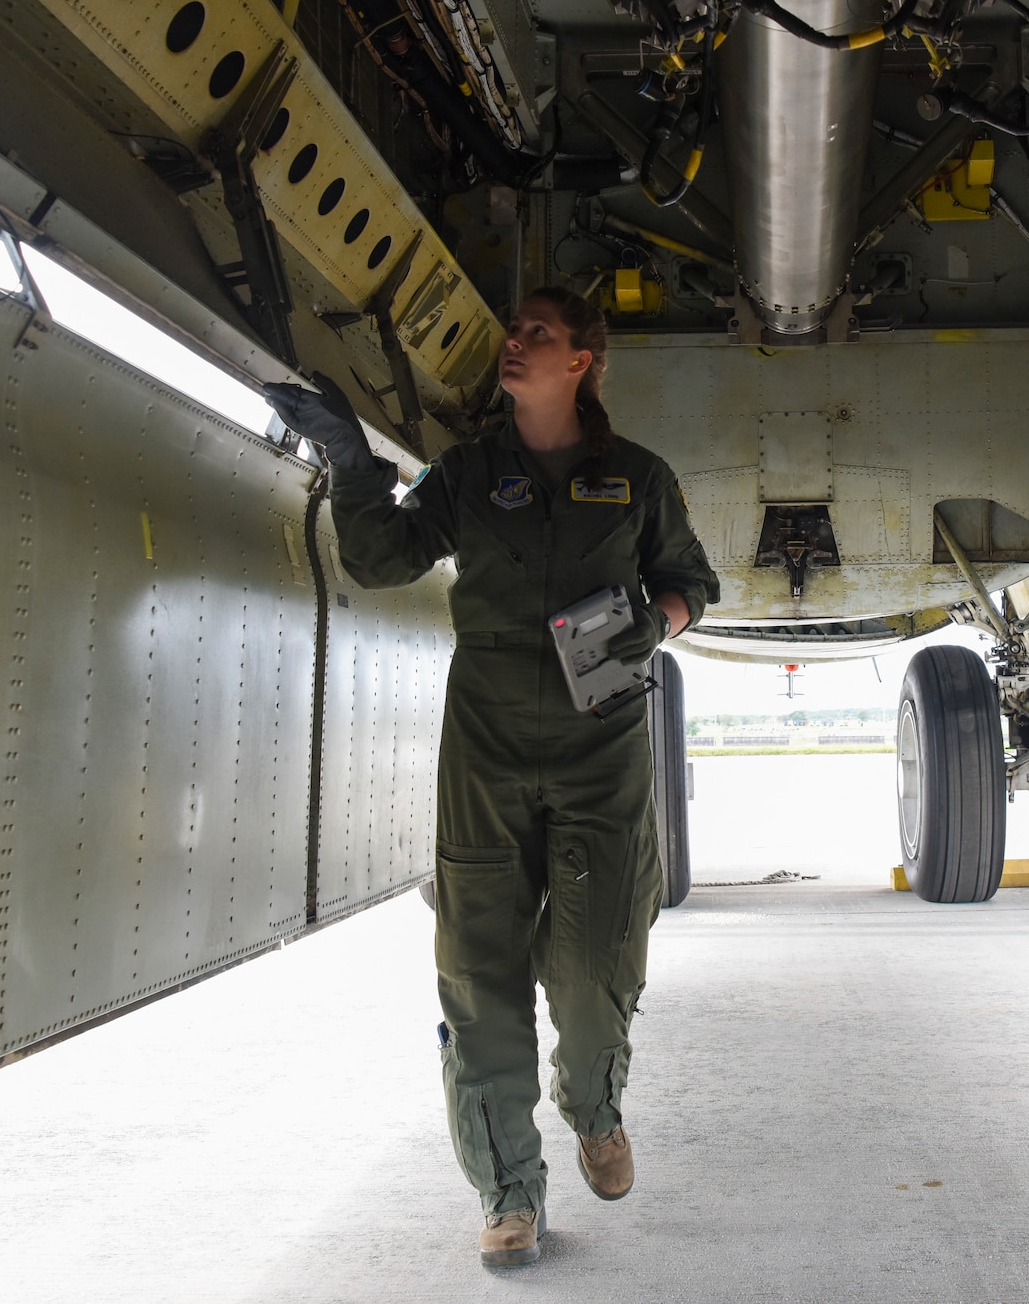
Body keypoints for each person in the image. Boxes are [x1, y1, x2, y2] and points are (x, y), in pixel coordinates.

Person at [263, 288, 719, 1269]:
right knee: (480, 985)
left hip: (601, 747)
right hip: (486, 751)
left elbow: (692, 582)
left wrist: (654, 628)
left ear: (580, 364)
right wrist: (350, 461)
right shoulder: (468, 473)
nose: (514, 345)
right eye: (514, 333)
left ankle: (595, 1109)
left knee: (592, 977)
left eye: (537, 336)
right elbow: (383, 559)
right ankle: (508, 1195)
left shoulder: (636, 477)